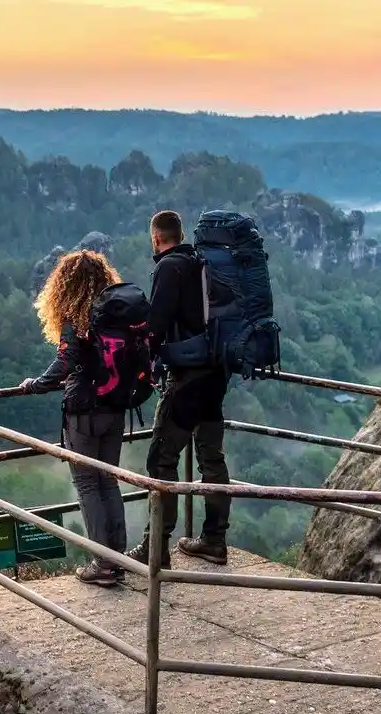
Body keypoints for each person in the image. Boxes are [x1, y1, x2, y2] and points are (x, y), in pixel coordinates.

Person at [19, 249, 149, 587]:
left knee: (88, 484)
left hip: (84, 413)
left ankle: (103, 565)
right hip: (117, 408)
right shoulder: (117, 315)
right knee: (108, 481)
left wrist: (35, 385)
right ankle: (116, 558)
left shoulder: (77, 318)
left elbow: (65, 362)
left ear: (65, 285)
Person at [137, 210, 232, 567]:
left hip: (188, 377)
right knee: (212, 458)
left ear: (157, 238)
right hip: (216, 374)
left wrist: (141, 366)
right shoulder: (202, 261)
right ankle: (214, 540)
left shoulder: (168, 267)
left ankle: (155, 548)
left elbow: (155, 326)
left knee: (161, 459)